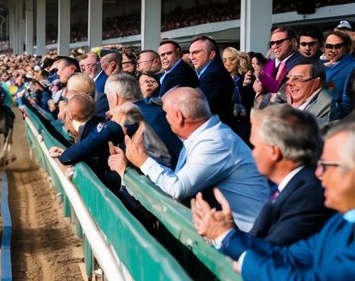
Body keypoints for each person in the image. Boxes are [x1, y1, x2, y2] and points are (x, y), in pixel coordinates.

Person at [192, 120, 355, 281]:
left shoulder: (316, 201)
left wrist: (247, 265)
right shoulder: (339, 222)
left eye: (326, 165)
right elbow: (286, 256)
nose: (318, 173)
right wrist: (226, 236)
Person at [108, 87, 271, 231]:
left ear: (178, 116)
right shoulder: (203, 134)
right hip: (233, 238)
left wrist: (142, 160)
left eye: (166, 113)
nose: (164, 118)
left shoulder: (215, 141)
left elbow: (177, 189)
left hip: (249, 244)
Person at [192, 105, 331, 246]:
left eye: (255, 146)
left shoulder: (307, 195)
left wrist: (224, 235)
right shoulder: (290, 187)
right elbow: (259, 244)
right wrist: (229, 229)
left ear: (274, 152)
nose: (252, 154)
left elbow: (272, 254)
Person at [48, 93, 124, 191]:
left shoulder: (100, 130)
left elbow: (66, 158)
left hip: (118, 192)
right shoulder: (97, 123)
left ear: (70, 115)